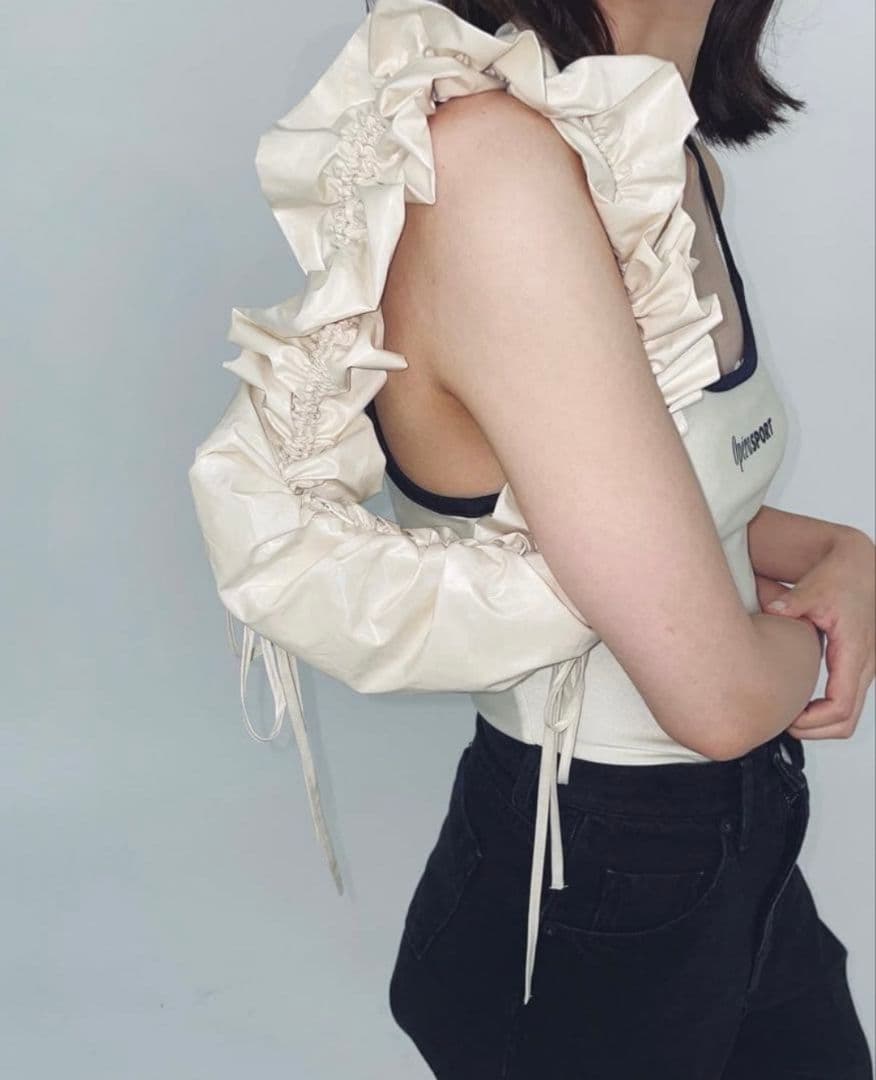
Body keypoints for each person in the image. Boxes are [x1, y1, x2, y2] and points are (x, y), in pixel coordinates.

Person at [188, 0, 875, 1075]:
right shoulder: (493, 172)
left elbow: (652, 507)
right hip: (591, 884)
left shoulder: (655, 155)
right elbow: (719, 700)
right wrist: (815, 633)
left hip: (736, 852)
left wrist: (843, 556)